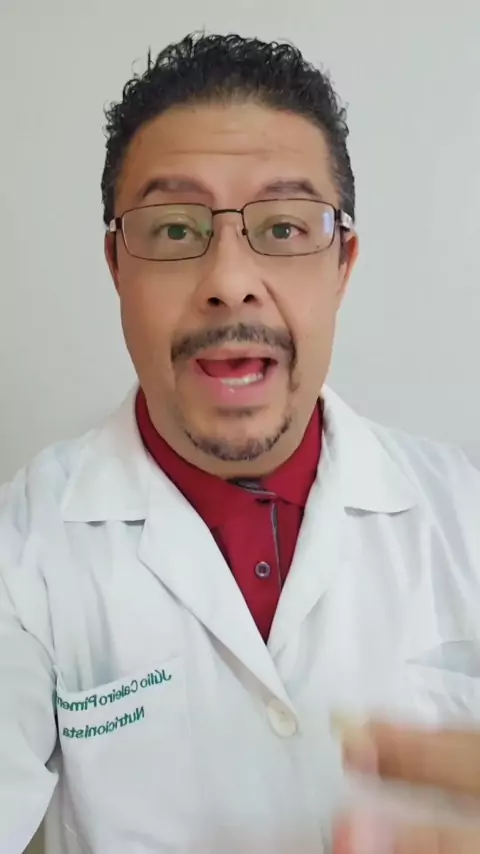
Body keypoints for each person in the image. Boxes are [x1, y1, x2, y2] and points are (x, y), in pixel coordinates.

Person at [0, 31, 479, 854]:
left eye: (285, 228)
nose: (228, 281)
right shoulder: (24, 549)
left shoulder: (462, 514)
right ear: (117, 267)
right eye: (174, 230)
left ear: (343, 264)